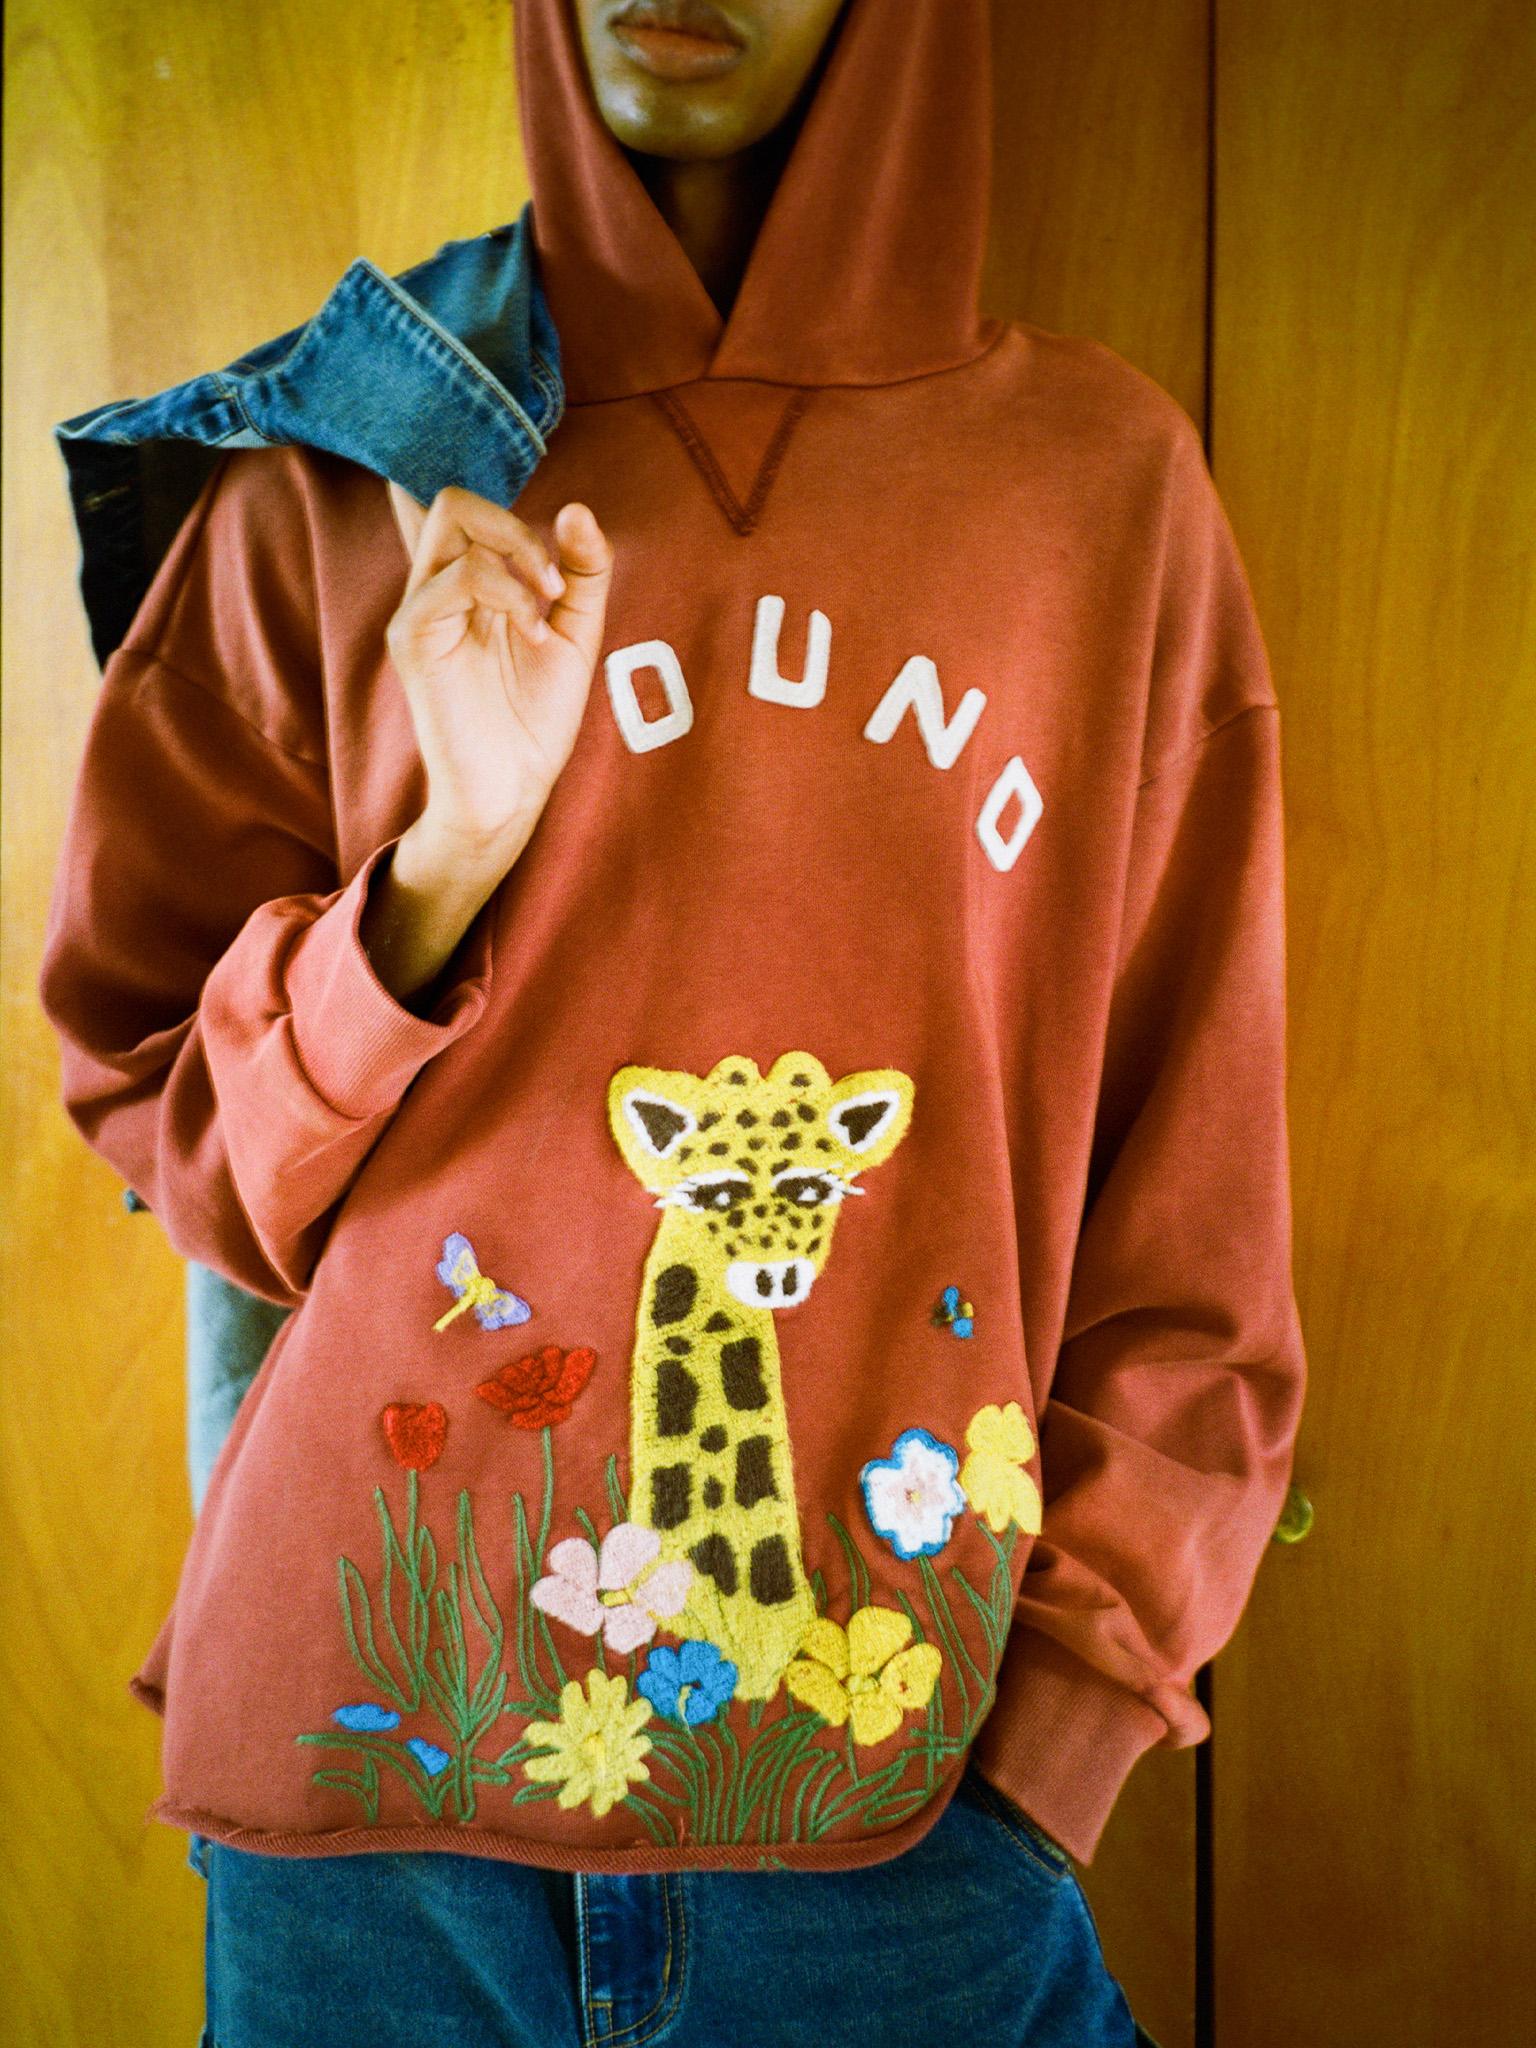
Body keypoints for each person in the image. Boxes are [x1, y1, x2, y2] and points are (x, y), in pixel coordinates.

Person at [37, 0, 1306, 2041]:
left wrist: (1056, 1748)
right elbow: (174, 1132)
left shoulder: (1100, 492)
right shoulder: (358, 458)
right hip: (366, 1846)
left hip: (899, 1832)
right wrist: (438, 869)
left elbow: (1199, 1211)